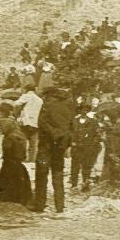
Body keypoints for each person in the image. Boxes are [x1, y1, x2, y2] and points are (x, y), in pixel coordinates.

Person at [32, 85, 74, 214]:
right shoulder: (68, 107)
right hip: (60, 147)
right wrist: (64, 141)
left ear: (49, 95)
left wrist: (53, 135)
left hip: (46, 146)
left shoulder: (47, 106)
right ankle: (59, 206)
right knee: (58, 174)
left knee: (41, 175)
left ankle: (40, 205)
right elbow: (72, 127)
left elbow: (42, 124)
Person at [0, 104, 33, 206]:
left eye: (2, 127)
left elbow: (7, 151)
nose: (1, 129)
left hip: (9, 164)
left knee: (9, 184)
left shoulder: (10, 137)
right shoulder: (19, 135)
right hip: (18, 165)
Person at [16, 82, 44, 163]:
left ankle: (23, 158)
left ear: (26, 89)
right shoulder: (40, 100)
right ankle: (32, 159)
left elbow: (16, 104)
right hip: (35, 122)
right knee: (33, 142)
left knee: (23, 141)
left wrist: (18, 114)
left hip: (25, 121)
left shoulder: (26, 96)